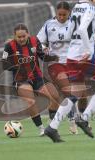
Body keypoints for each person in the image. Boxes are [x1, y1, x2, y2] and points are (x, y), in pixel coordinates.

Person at [44, 0, 95, 142]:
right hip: (85, 57)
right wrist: (89, 49)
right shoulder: (89, 7)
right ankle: (84, 118)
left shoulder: (76, 7)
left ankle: (52, 127)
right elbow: (82, 29)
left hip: (72, 56)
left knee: (75, 94)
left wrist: (93, 37)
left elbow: (72, 32)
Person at [37, 1, 88, 135]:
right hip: (55, 63)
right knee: (68, 91)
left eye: (64, 15)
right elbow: (38, 42)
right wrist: (43, 48)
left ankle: (58, 124)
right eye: (59, 14)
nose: (61, 17)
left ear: (69, 13)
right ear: (56, 12)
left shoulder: (75, 24)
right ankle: (72, 121)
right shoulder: (49, 25)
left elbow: (85, 38)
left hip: (73, 62)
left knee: (78, 96)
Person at [2, 23, 60, 136]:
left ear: (28, 34)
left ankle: (51, 125)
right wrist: (15, 65)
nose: (22, 39)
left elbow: (42, 56)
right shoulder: (9, 46)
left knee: (55, 96)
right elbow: (4, 65)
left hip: (37, 77)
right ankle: (41, 129)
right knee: (30, 101)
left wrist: (53, 57)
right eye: (19, 37)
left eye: (24, 36)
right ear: (14, 36)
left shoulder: (35, 41)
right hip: (21, 79)